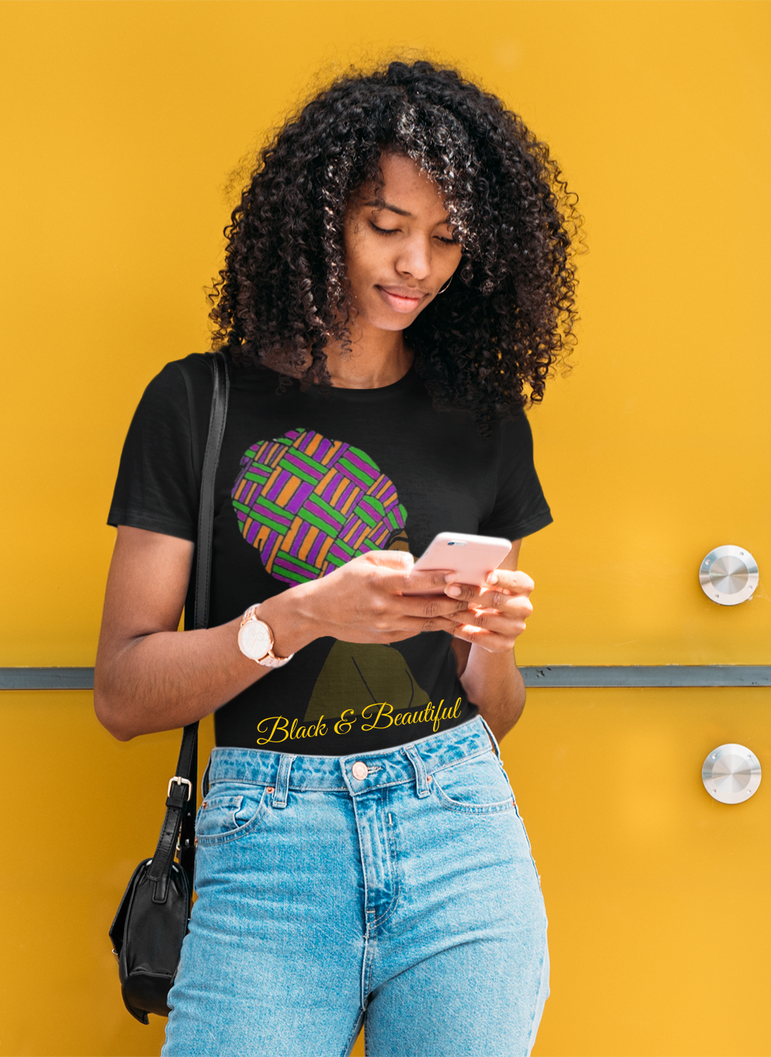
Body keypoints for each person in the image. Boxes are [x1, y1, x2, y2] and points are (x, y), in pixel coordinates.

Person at [95, 59, 578, 1057]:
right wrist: (300, 616)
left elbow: (493, 711)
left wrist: (486, 645)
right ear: (316, 219)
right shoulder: (196, 404)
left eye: (446, 240)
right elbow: (123, 694)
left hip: (457, 828)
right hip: (269, 845)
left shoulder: (483, 421)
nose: (416, 266)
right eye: (385, 225)